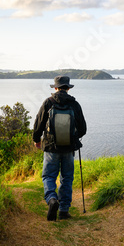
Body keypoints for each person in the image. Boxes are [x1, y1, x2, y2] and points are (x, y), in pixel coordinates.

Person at [33, 76, 87, 221]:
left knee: (49, 176)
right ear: (68, 88)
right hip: (69, 148)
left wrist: (37, 140)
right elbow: (83, 129)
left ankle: (51, 199)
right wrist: (74, 136)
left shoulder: (48, 102)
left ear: (55, 88)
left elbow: (38, 124)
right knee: (67, 178)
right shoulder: (74, 104)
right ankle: (63, 210)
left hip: (51, 147)